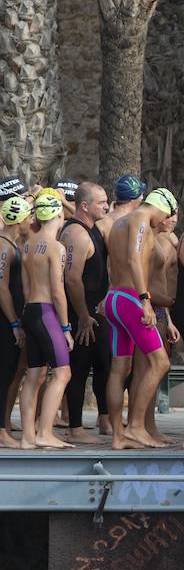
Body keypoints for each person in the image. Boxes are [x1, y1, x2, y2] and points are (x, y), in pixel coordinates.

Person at [102, 188, 176, 449]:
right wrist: (145, 300)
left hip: (114, 298)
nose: (165, 221)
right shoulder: (141, 220)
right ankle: (134, 427)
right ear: (162, 208)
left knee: (119, 369)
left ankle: (118, 437)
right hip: (132, 300)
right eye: (167, 215)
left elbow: (114, 264)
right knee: (161, 363)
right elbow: (134, 259)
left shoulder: (118, 222)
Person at [18, 192, 73, 449]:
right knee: (62, 372)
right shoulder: (56, 247)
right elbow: (58, 291)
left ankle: (28, 437)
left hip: (30, 311)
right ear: (59, 215)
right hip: (46, 312)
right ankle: (45, 433)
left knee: (35, 375)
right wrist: (65, 327)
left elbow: (26, 286)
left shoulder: (27, 244)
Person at [59, 182, 111, 441]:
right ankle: (75, 428)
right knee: (79, 368)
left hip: (96, 310)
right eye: (101, 202)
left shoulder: (95, 229)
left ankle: (105, 418)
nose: (106, 206)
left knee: (104, 363)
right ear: (84, 206)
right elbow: (71, 279)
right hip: (79, 312)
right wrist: (81, 316)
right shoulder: (75, 234)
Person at [0, 196, 30, 447]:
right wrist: (14, 323)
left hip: (9, 319)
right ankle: (0, 431)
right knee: (4, 372)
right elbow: (1, 288)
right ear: (18, 220)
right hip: (4, 320)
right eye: (27, 217)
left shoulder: (11, 244)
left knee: (8, 372)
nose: (30, 221)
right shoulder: (4, 246)